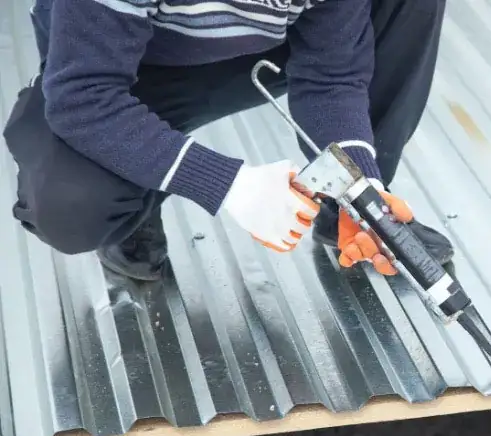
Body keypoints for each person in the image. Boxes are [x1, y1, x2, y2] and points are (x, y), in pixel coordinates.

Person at [3, 0, 454, 281]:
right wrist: (227, 184)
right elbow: (83, 96)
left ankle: (349, 209)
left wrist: (361, 185)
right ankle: (135, 198)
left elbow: (331, 79)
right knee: (70, 207)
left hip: (252, 52)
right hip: (124, 68)